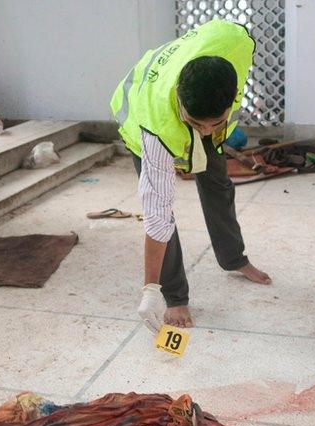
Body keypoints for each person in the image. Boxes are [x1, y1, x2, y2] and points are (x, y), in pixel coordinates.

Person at [110, 20, 271, 333]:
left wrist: (207, 129)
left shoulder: (236, 42)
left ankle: (233, 258)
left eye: (216, 122)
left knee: (218, 185)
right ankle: (174, 294)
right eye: (197, 124)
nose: (207, 131)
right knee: (164, 211)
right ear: (181, 102)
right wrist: (150, 289)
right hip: (142, 115)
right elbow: (157, 217)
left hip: (192, 100)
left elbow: (208, 122)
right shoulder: (157, 127)